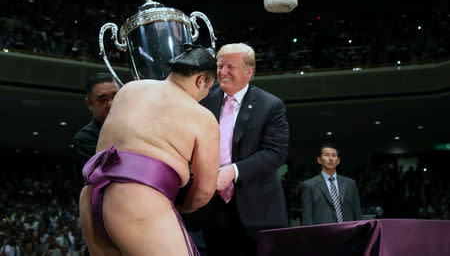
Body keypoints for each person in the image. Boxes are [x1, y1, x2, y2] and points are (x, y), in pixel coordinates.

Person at [78, 45, 220, 256]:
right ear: (200, 81)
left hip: (90, 197)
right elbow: (204, 192)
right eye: (207, 89)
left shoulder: (129, 89)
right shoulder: (202, 116)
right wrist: (181, 208)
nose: (205, 96)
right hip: (138, 201)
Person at [195, 43, 289, 256]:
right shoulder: (203, 100)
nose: (222, 72)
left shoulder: (271, 105)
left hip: (258, 209)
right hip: (213, 207)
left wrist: (233, 171)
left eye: (230, 67)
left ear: (249, 71)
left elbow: (275, 153)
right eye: (219, 66)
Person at [72, 73, 121, 187]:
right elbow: (106, 178)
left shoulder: (136, 125)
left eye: (116, 96)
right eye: (103, 100)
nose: (111, 103)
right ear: (89, 103)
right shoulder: (84, 138)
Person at [300, 143, 362, 226]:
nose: (330, 159)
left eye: (333, 155)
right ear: (319, 160)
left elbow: (357, 213)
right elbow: (307, 218)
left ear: (338, 161)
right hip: (322, 234)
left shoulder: (350, 183)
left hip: (348, 232)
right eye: (326, 155)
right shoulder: (309, 185)